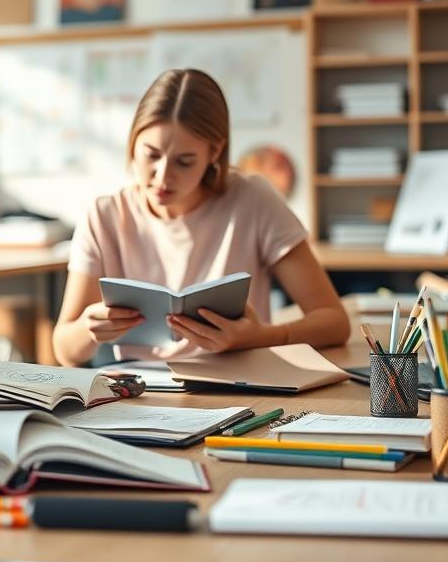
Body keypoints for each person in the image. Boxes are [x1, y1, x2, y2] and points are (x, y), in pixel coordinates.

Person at [52, 68, 349, 366]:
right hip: (143, 390)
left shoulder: (253, 199)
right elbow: (64, 351)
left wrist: (259, 337)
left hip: (240, 385)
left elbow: (334, 322)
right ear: (133, 142)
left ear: (214, 152)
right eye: (151, 155)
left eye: (185, 161)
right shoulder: (104, 216)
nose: (163, 176)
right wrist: (87, 329)